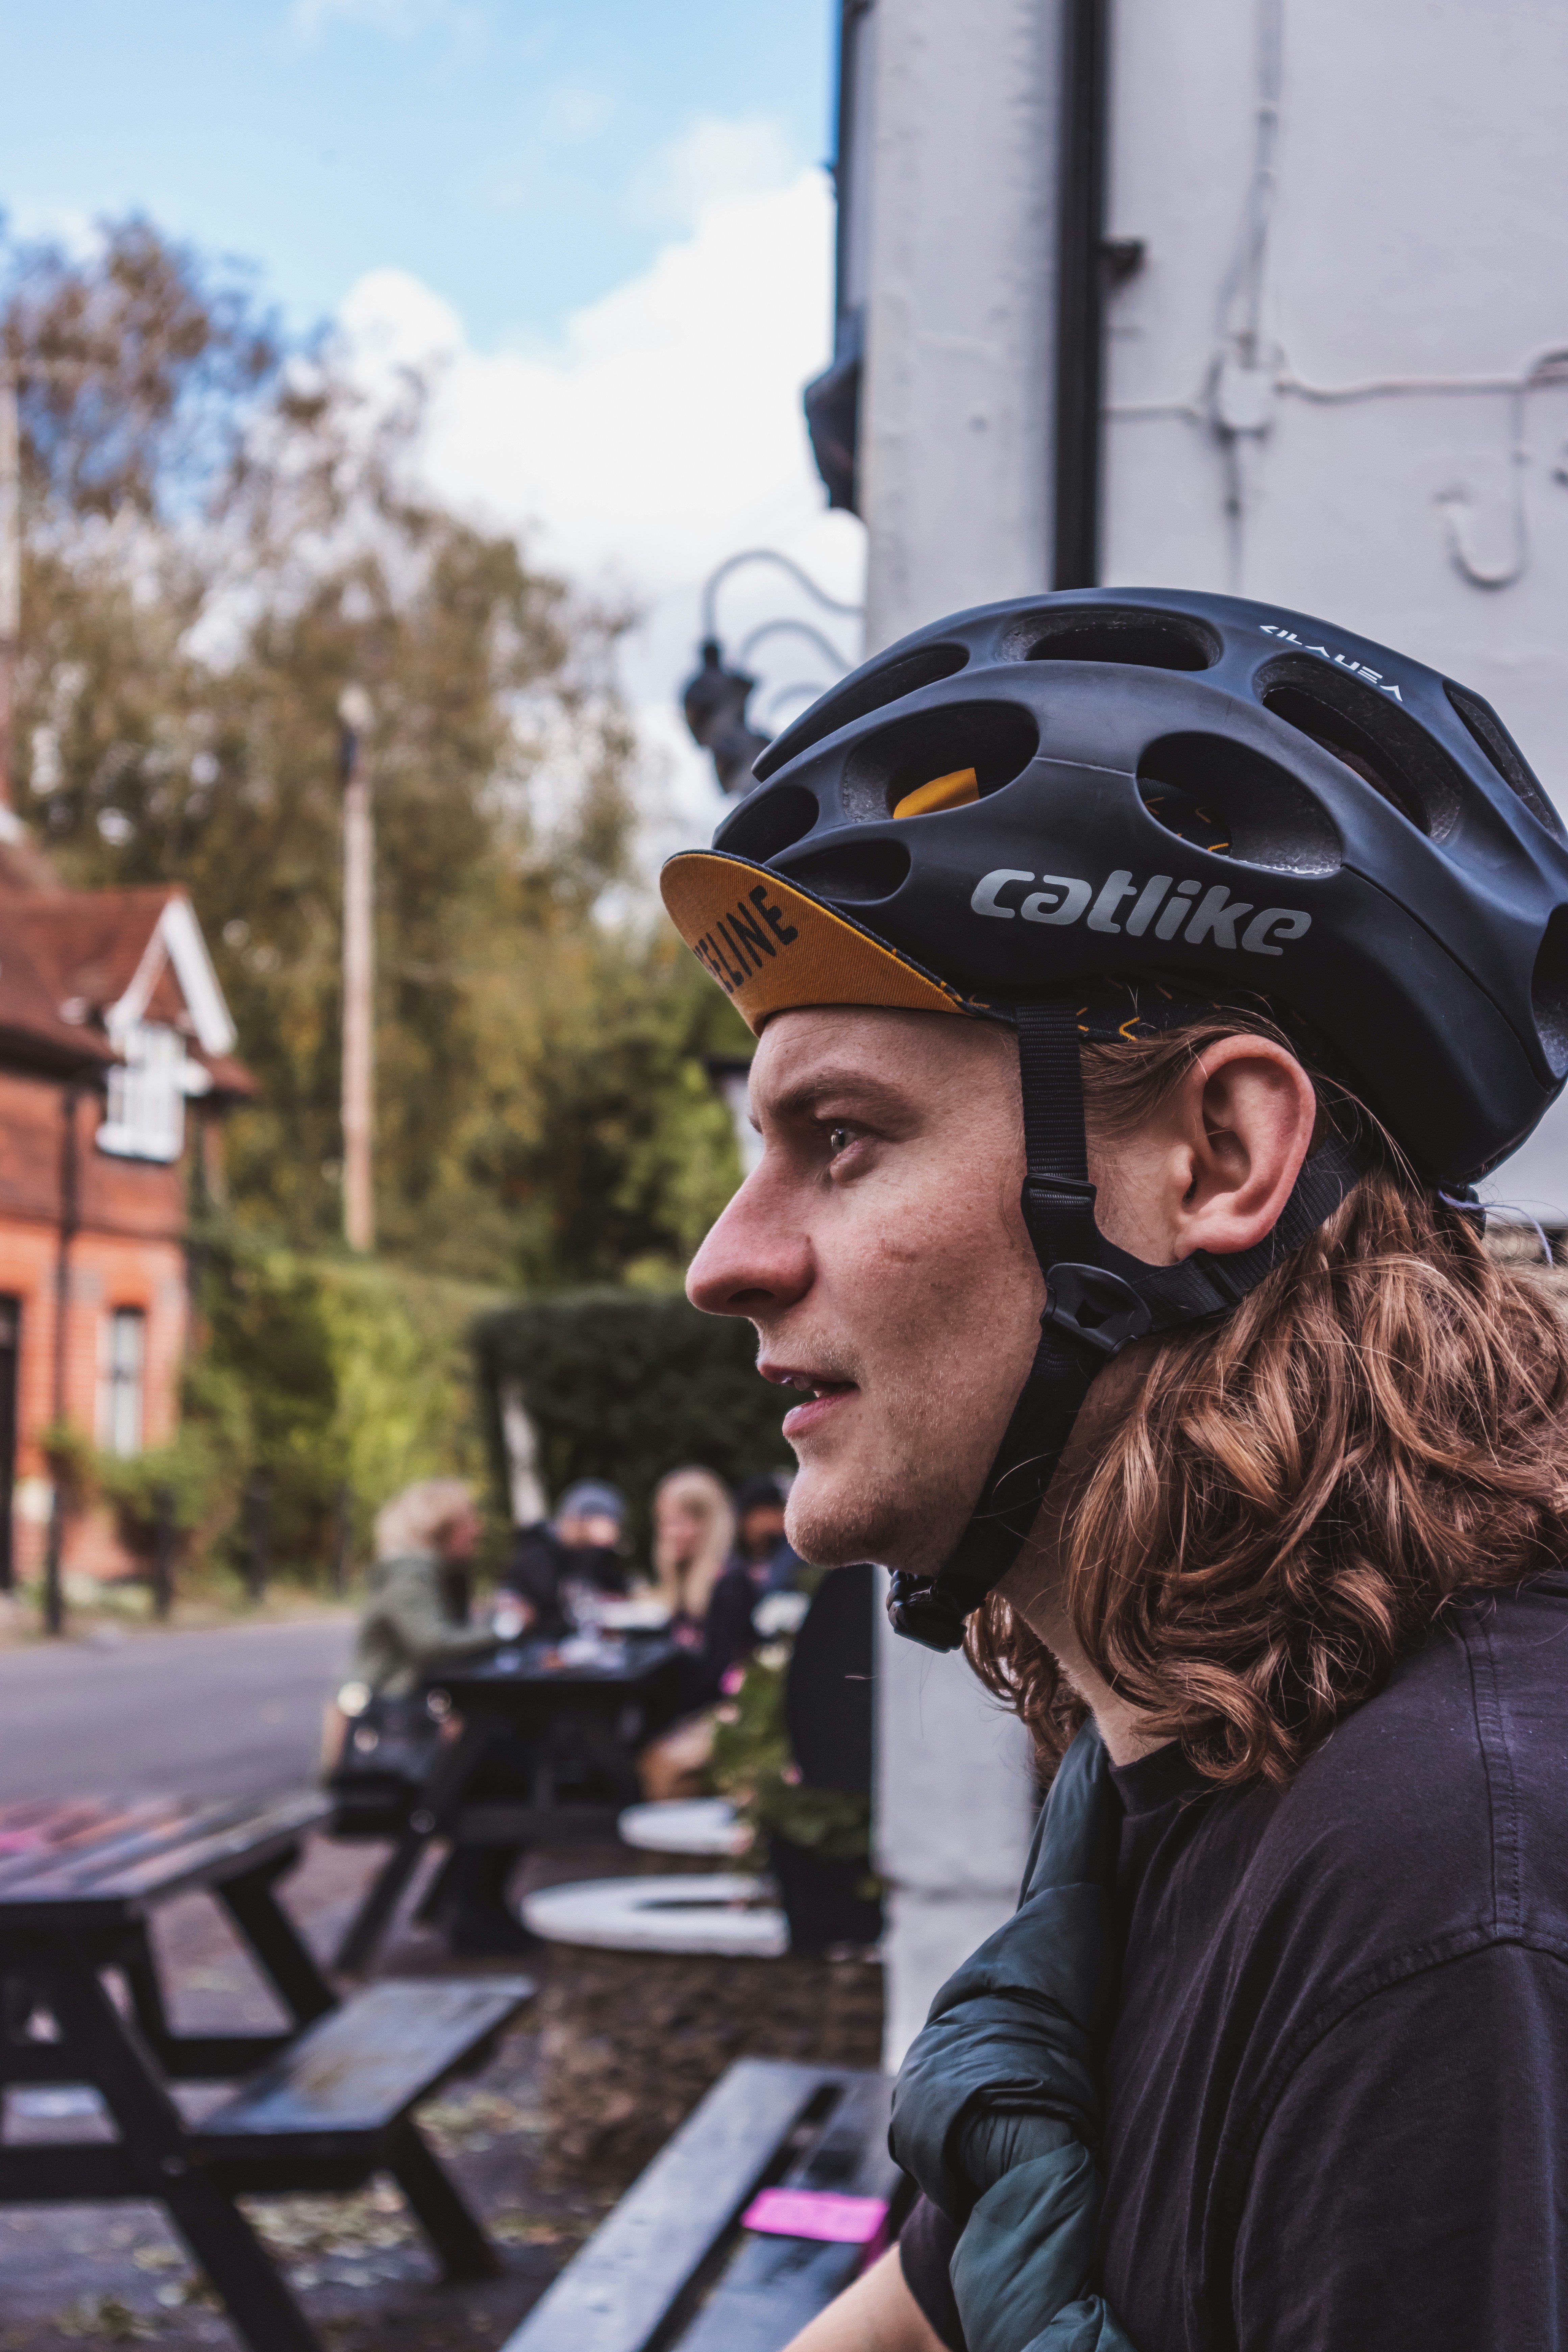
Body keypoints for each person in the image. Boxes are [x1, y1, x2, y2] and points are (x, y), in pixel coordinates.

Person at [662, 586, 1568, 2352]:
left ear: (1215, 1157)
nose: (725, 1259)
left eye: (841, 1142)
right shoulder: (1188, 1743)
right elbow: (930, 2308)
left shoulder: (1446, 1912)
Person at [341, 1478, 532, 1957]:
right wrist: (505, 1629)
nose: (479, 1530)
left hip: (410, 1733)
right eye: (470, 1519)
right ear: (444, 1525)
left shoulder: (434, 1572)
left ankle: (471, 1906)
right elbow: (431, 1643)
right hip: (391, 1744)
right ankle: (473, 1912)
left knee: (507, 1766)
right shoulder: (412, 1574)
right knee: (511, 1771)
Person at [501, 1478, 631, 1638]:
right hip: (542, 1651)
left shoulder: (592, 1554)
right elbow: (543, 1612)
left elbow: (619, 1590)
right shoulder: (535, 1555)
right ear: (578, 1519)